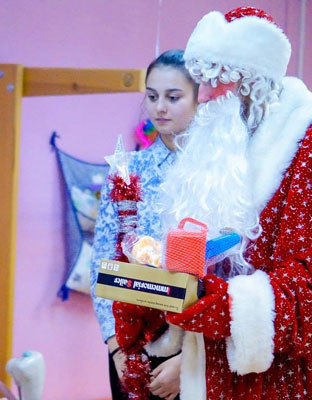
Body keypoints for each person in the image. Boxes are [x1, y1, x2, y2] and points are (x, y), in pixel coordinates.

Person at [121, 7, 312, 399]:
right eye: (200, 80)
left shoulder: (302, 148)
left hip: (276, 383)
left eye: (218, 79)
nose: (204, 95)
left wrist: (220, 305)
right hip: (206, 376)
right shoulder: (216, 155)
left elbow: (304, 289)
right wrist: (150, 283)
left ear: (254, 82)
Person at [90, 49, 198, 400]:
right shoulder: (127, 170)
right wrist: (117, 348)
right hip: (132, 343)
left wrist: (191, 359)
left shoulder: (218, 172)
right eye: (152, 96)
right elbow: (102, 261)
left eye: (173, 97)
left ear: (200, 99)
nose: (159, 107)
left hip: (201, 345)